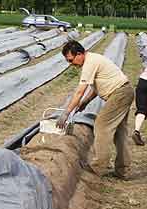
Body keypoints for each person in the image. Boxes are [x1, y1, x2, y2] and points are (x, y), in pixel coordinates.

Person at [57, 40, 134, 178]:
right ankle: (124, 170)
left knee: (101, 126)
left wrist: (66, 113)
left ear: (79, 54)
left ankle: (99, 166)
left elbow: (79, 92)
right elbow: (96, 88)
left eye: (71, 60)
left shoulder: (89, 63)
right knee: (120, 131)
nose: (71, 64)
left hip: (119, 93)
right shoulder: (92, 59)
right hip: (125, 91)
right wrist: (85, 102)